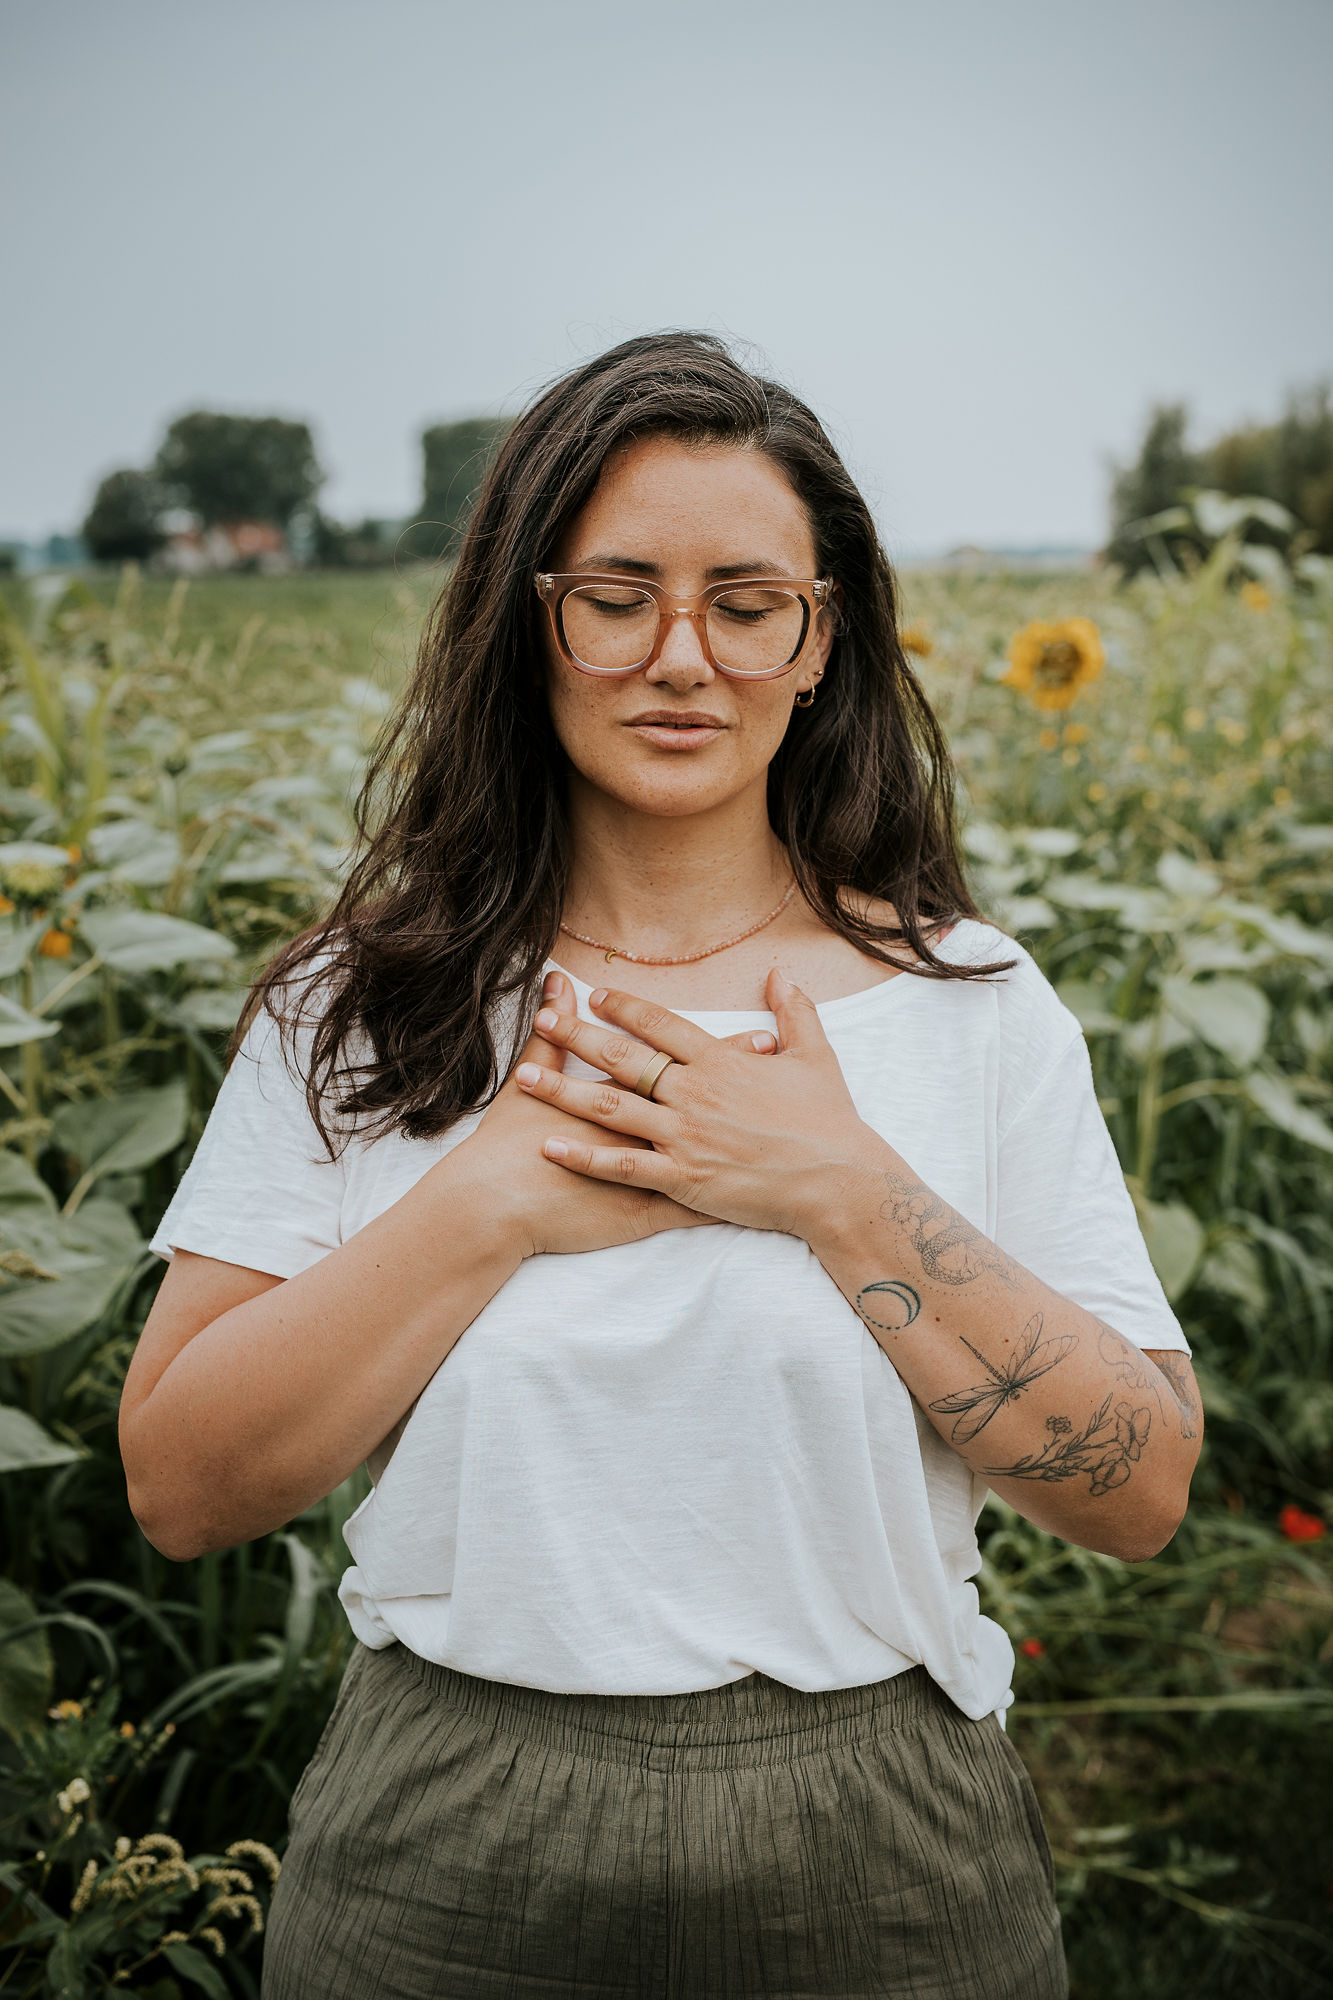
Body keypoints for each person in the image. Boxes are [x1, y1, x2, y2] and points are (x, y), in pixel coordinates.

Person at [120, 331, 1201, 2000]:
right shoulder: (362, 1004)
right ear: (524, 620)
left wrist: (837, 1186)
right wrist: (491, 1201)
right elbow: (180, 1487)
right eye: (614, 594)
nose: (679, 656)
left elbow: (1134, 1490)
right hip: (442, 1842)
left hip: (884, 1843)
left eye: (745, 600)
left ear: (820, 639)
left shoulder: (968, 1006)